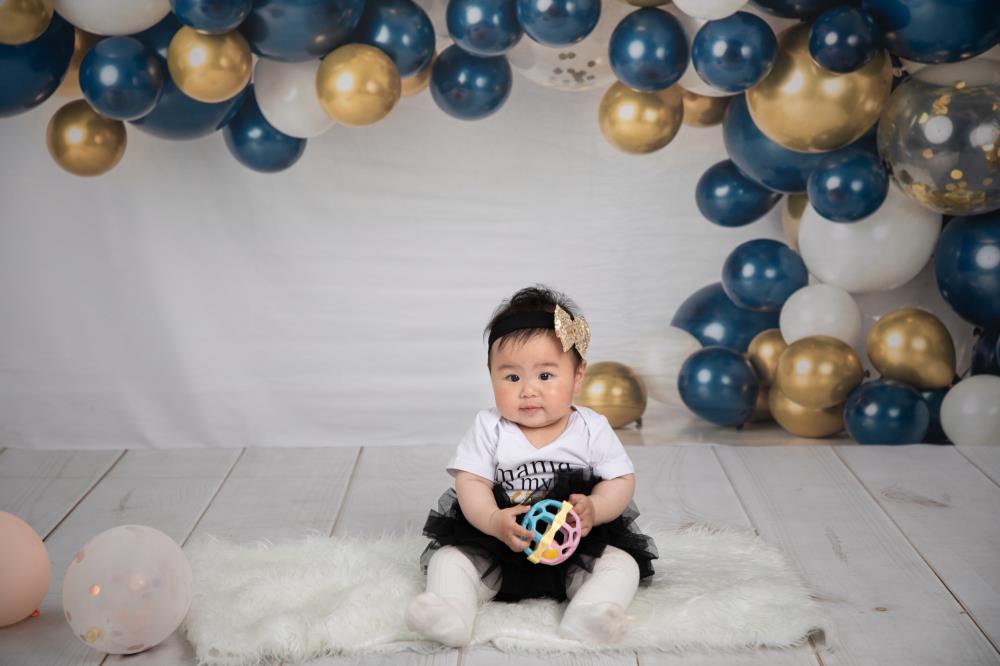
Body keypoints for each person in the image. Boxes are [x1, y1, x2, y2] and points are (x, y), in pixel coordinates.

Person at [405, 285, 658, 647]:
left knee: (621, 565)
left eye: (545, 376)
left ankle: (590, 614)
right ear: (491, 375)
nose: (528, 390)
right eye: (512, 377)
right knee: (449, 560)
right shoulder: (489, 426)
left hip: (573, 546)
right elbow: (471, 482)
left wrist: (596, 507)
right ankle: (451, 614)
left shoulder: (591, 427)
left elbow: (620, 479)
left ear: (578, 375)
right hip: (500, 544)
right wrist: (493, 519)